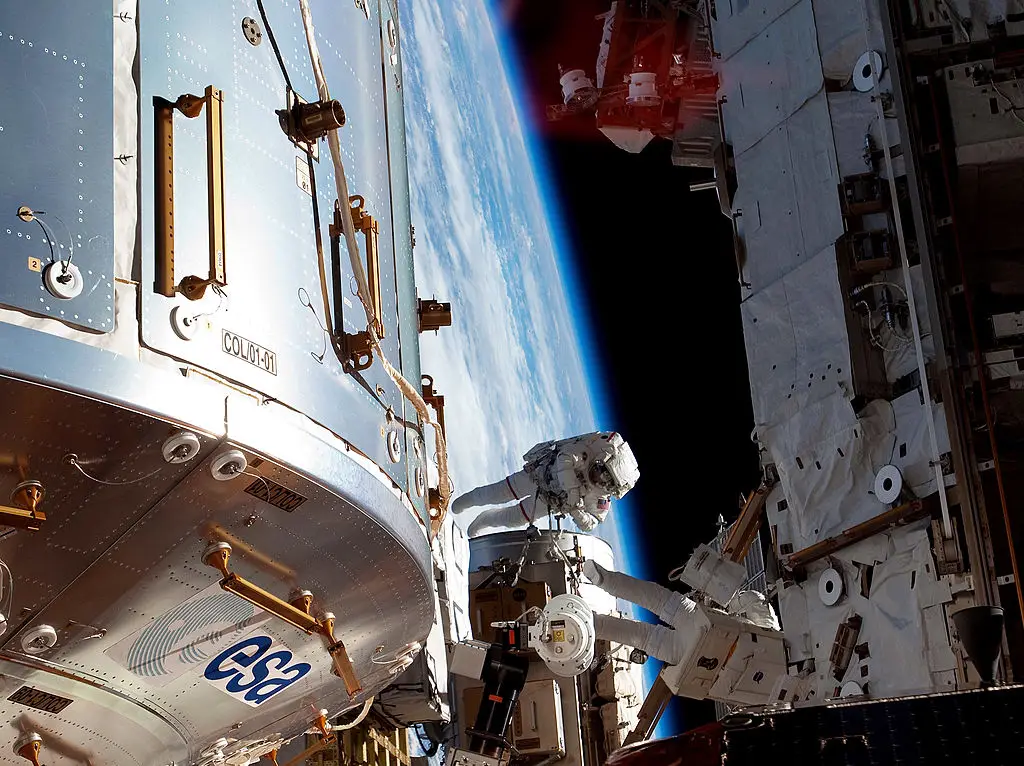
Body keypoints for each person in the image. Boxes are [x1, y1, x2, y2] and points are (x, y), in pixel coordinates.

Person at [451, 431, 638, 537]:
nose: (600, 478)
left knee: (513, 518)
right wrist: (573, 493)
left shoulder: (600, 499)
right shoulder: (588, 452)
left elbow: (590, 524)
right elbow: (564, 458)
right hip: (541, 474)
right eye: (601, 471)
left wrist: (577, 512)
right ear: (602, 461)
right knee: (496, 493)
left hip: (548, 502)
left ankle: (483, 520)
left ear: (612, 488)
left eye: (606, 481)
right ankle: (464, 502)